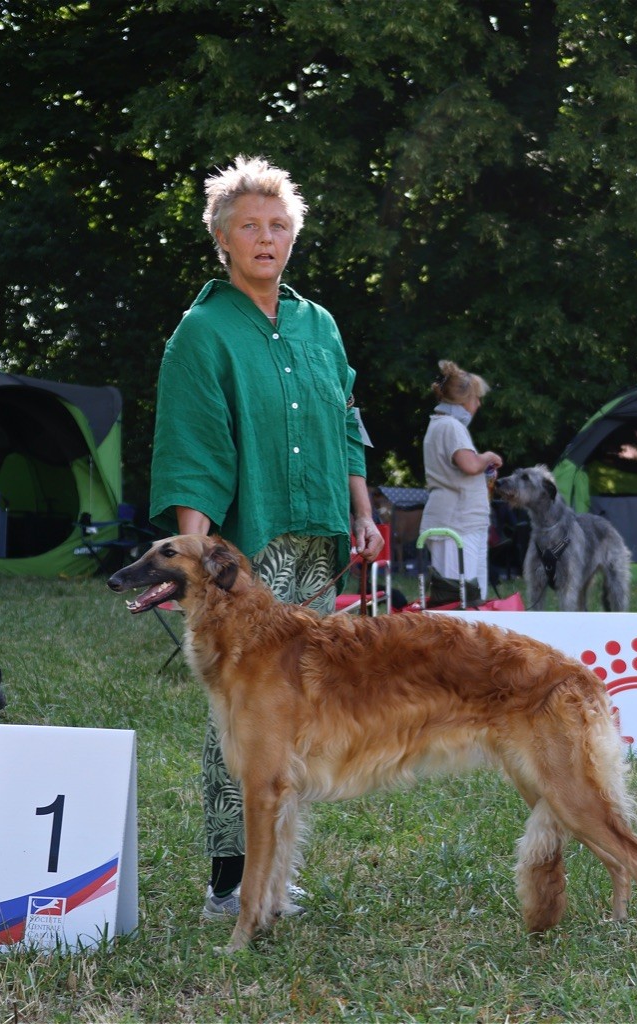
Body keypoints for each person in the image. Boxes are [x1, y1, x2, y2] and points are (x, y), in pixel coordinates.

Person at [149, 154, 383, 920]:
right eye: (249, 225)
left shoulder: (320, 324)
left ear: (293, 237)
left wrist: (361, 508)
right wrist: (193, 566)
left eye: (278, 226)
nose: (265, 237)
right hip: (242, 554)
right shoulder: (202, 332)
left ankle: (274, 867)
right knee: (242, 713)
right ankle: (228, 878)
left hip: (316, 541)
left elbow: (344, 425)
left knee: (298, 716)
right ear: (221, 237)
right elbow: (191, 448)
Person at [419, 359, 503, 601]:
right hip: (454, 523)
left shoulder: (443, 425)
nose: (478, 405)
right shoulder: (450, 426)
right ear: (464, 401)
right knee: (458, 598)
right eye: (476, 399)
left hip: (461, 521)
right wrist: (487, 457)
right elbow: (469, 464)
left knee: (471, 597)